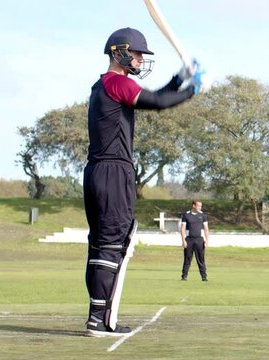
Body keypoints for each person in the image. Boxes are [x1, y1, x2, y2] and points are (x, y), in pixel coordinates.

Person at [84, 27, 201, 337]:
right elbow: (158, 101)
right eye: (135, 53)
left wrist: (179, 79)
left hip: (97, 171)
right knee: (112, 245)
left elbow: (157, 95)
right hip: (113, 173)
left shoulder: (103, 85)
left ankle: (98, 315)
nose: (139, 59)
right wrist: (191, 90)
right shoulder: (117, 82)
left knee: (100, 246)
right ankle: (100, 320)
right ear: (117, 53)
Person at [180, 200, 210, 281]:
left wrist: (207, 240)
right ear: (193, 205)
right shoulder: (186, 215)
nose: (200, 207)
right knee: (187, 259)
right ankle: (184, 276)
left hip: (199, 240)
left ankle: (204, 277)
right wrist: (183, 240)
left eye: (201, 206)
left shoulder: (203, 215)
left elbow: (206, 229)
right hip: (189, 240)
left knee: (201, 259)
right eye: (198, 206)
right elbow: (182, 228)